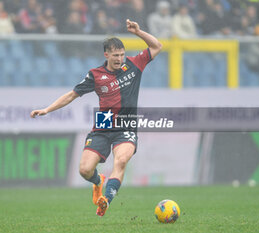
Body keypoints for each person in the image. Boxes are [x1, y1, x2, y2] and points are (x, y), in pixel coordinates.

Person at [30, 19, 162, 217]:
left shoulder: (134, 64)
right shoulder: (95, 75)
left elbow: (157, 46)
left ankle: (106, 200)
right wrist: (47, 109)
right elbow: (72, 94)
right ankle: (98, 182)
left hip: (126, 125)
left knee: (122, 160)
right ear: (106, 55)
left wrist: (138, 32)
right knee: (84, 170)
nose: (119, 59)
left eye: (122, 55)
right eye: (115, 55)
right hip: (104, 123)